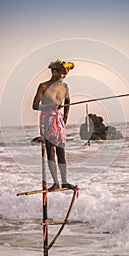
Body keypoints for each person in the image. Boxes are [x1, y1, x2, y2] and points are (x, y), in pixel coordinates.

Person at [32, 59, 76, 191]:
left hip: (59, 119)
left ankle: (64, 181)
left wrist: (66, 116)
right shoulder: (43, 86)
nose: (63, 77)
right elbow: (34, 106)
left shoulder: (65, 87)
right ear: (54, 72)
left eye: (65, 75)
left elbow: (68, 101)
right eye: (62, 74)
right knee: (51, 152)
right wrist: (49, 106)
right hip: (47, 119)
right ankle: (55, 182)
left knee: (61, 152)